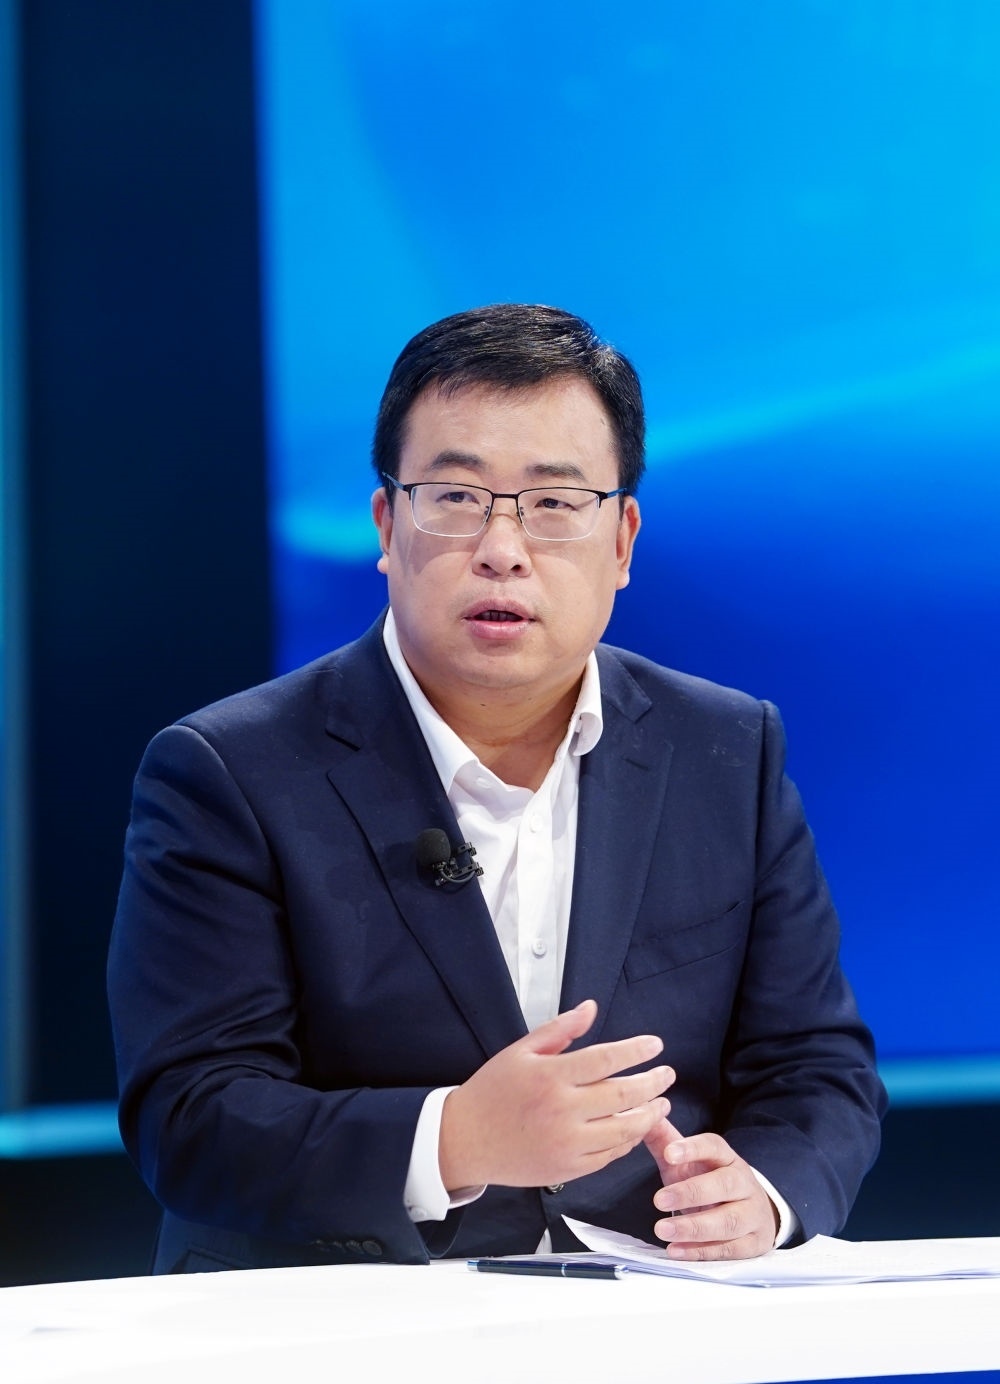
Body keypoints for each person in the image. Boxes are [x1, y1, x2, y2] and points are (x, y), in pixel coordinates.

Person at [107, 304, 886, 1274]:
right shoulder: (226, 770)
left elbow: (816, 1067)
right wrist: (456, 1140)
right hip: (340, 1317)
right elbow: (190, 1117)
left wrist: (761, 1193)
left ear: (622, 540)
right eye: (456, 497)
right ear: (387, 524)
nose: (502, 547)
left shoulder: (725, 749)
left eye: (554, 503)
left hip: (652, 1313)